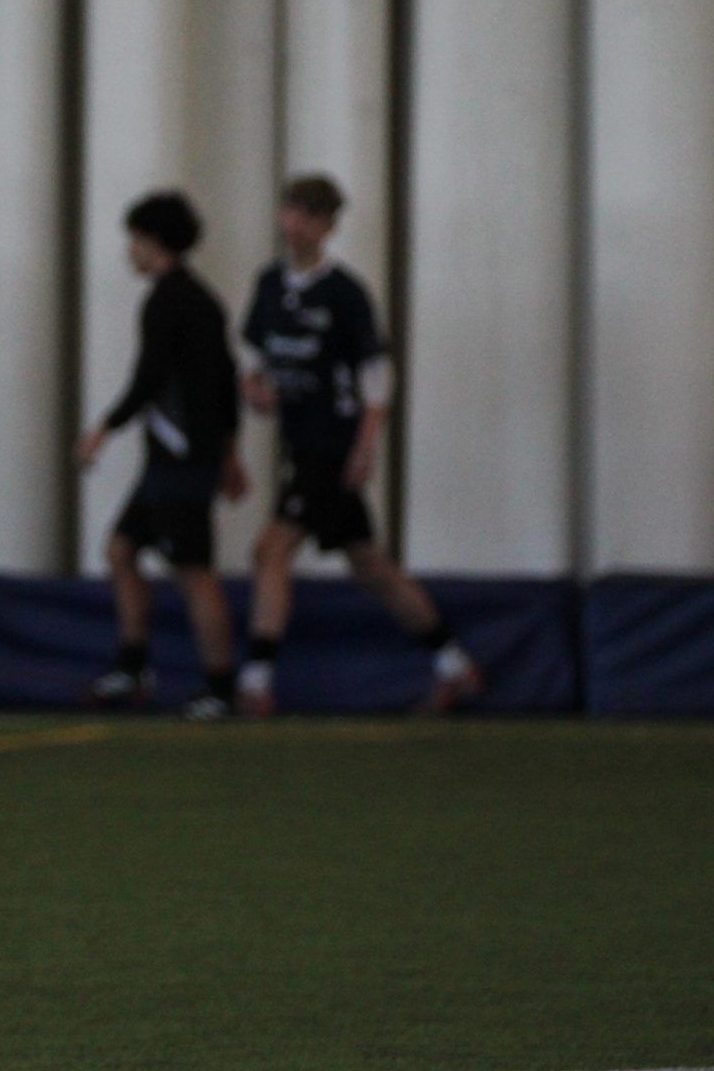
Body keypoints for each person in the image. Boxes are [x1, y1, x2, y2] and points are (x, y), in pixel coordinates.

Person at [237, 175, 482, 716]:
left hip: (330, 442)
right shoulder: (270, 284)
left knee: (271, 551)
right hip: (299, 442)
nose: (296, 225)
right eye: (291, 212)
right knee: (370, 566)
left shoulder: (344, 292)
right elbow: (254, 354)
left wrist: (365, 445)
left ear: (327, 227)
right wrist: (254, 388)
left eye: (309, 217)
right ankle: (454, 664)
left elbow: (376, 373)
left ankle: (256, 680)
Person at [78, 191, 246, 721]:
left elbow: (149, 379)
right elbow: (227, 383)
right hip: (176, 459)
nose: (130, 251)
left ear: (153, 242)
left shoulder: (167, 302)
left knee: (193, 569)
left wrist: (104, 428)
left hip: (180, 459)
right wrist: (230, 451)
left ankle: (220, 686)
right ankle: (132, 665)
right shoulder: (204, 300)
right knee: (121, 549)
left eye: (134, 240)